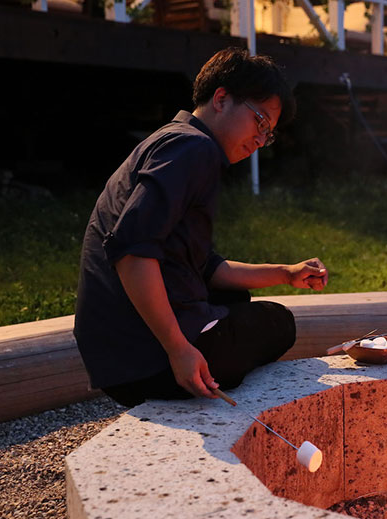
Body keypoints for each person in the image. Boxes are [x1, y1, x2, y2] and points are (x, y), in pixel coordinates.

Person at [74, 47, 327, 408]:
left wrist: (286, 273)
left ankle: (201, 337)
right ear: (221, 99)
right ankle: (193, 355)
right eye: (260, 121)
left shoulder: (176, 141)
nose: (260, 139)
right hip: (145, 360)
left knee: (234, 299)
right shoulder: (193, 148)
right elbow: (132, 251)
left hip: (119, 356)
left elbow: (205, 267)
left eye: (268, 133)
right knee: (278, 323)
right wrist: (179, 351)